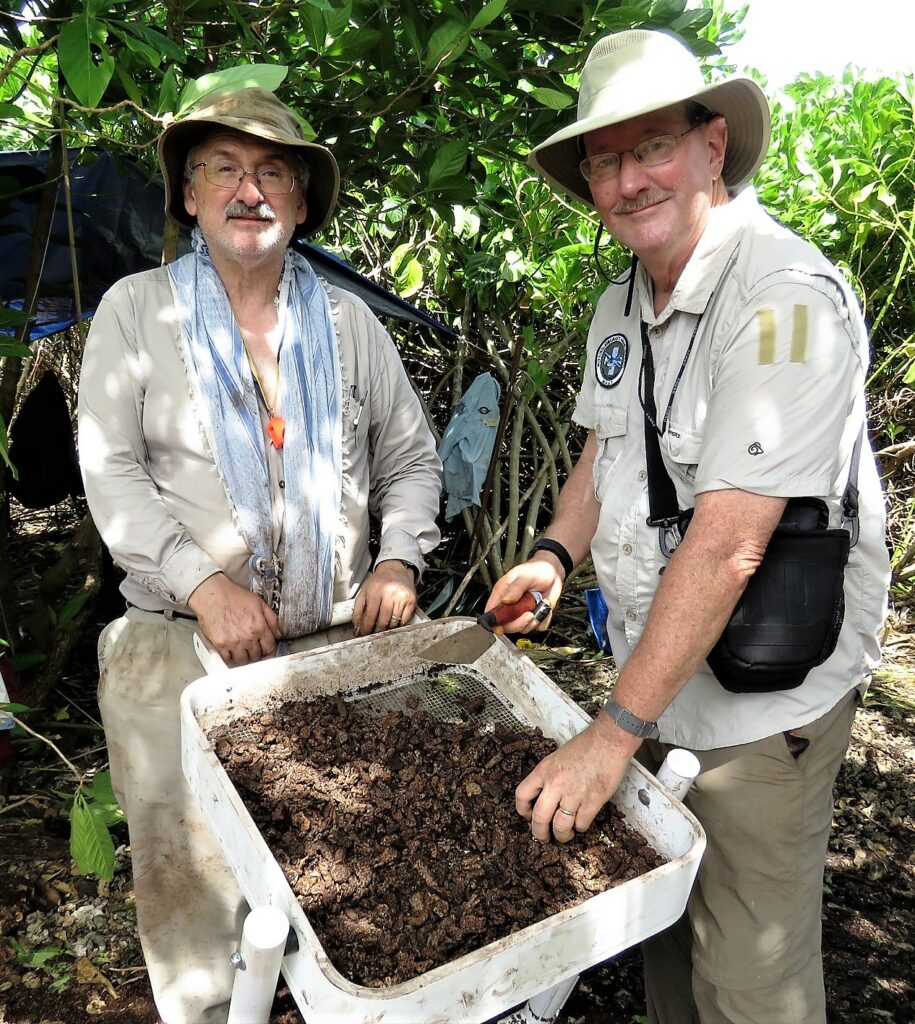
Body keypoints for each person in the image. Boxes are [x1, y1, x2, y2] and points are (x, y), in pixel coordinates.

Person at [485, 29, 889, 1024]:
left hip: (757, 709)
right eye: (606, 159)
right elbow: (599, 457)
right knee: (662, 935)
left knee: (750, 976)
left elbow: (731, 544)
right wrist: (551, 553)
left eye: (651, 146)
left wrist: (608, 733)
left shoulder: (783, 299)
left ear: (712, 146)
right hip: (661, 681)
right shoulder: (623, 301)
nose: (628, 181)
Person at [77, 85, 441, 1023]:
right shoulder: (135, 311)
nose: (250, 191)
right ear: (187, 195)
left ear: (303, 200)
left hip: (332, 654)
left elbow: (408, 457)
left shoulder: (350, 324)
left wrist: (397, 562)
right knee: (192, 891)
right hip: (178, 657)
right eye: (224, 169)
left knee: (342, 883)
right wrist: (203, 582)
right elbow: (110, 473)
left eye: (272, 170)